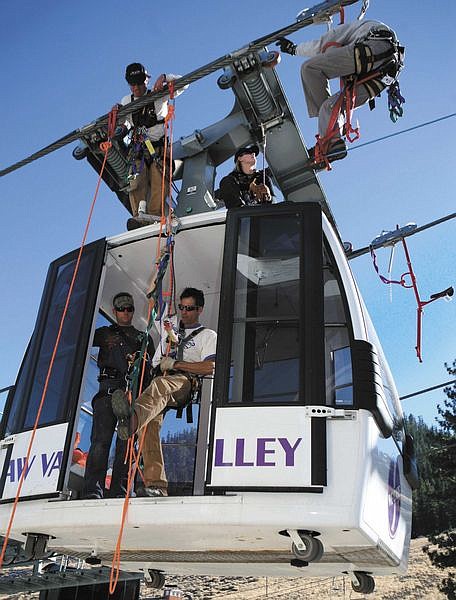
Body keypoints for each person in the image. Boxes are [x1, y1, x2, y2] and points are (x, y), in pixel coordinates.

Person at [111, 288, 217, 497]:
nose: (184, 312)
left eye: (189, 308)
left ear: (200, 309)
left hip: (185, 381)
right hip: (162, 380)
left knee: (160, 386)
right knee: (149, 425)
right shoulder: (171, 330)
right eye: (181, 307)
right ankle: (157, 485)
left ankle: (130, 420)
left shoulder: (207, 335)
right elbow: (156, 360)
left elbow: (210, 367)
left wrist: (177, 363)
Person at [276, 18, 403, 167]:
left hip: (374, 50)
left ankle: (329, 139)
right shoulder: (368, 29)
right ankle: (333, 141)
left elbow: (320, 45)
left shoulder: (344, 31)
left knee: (310, 69)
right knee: (330, 106)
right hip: (383, 76)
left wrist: (294, 49)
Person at [83, 292, 153, 499]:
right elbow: (80, 335)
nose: (125, 312)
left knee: (127, 447)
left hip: (132, 396)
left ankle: (119, 493)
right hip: (108, 391)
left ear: (133, 311)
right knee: (100, 442)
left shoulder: (144, 339)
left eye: (129, 308)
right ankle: (92, 491)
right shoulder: (104, 333)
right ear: (114, 311)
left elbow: (149, 373)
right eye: (121, 308)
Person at [120, 62, 186, 228]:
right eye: (132, 84)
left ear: (146, 81)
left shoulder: (158, 95)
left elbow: (184, 83)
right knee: (135, 182)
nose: (135, 87)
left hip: (159, 149)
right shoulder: (127, 101)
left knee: (159, 182)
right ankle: (138, 218)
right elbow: (122, 122)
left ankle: (156, 217)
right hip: (139, 151)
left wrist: (164, 77)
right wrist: (117, 112)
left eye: (139, 83)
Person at [218, 145, 274, 209]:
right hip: (243, 216)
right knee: (226, 181)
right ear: (240, 158)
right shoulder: (230, 180)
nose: (253, 154)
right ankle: (240, 210)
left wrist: (269, 197)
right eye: (248, 152)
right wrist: (249, 187)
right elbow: (220, 194)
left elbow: (274, 204)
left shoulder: (264, 178)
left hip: (262, 214)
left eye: (254, 154)